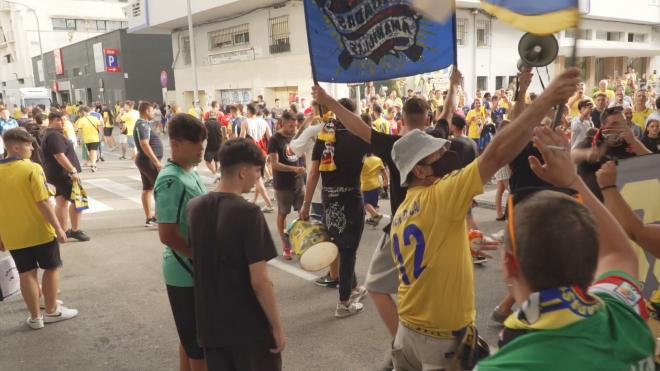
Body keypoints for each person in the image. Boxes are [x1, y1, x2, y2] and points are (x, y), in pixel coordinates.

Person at [385, 68, 580, 371]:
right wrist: (546, 100)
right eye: (436, 155)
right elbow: (495, 154)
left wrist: (460, 242)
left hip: (407, 334)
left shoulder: (404, 209)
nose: (446, 154)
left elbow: (422, 253)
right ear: (420, 171)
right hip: (440, 345)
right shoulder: (440, 195)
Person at [477, 127, 655, 370]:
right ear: (592, 259)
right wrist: (572, 179)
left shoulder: (502, 366)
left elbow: (617, 253)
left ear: (508, 264)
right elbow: (620, 253)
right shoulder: (621, 312)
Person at [188, 138, 286, 371]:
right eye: (256, 171)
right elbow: (260, 281)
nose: (258, 177)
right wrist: (277, 326)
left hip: (210, 327)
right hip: (248, 329)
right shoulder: (249, 213)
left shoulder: (195, 207)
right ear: (243, 172)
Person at [0, 128, 78, 330]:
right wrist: (60, 228)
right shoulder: (32, 168)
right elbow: (44, 203)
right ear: (16, 147)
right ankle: (52, 310)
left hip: (13, 234)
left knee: (26, 273)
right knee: (51, 268)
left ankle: (35, 317)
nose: (32, 148)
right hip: (40, 231)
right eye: (28, 145)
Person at [299, 97, 370, 318]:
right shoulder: (360, 137)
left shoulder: (325, 137)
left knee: (341, 246)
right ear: (353, 114)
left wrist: (306, 205)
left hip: (328, 201)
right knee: (348, 251)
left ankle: (354, 287)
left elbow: (313, 175)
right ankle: (344, 303)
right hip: (351, 200)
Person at [154, 114, 208, 371]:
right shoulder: (171, 180)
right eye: (195, 143)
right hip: (185, 271)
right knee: (198, 345)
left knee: (191, 340)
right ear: (175, 143)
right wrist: (201, 256)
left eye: (203, 142)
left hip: (192, 268)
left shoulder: (190, 172)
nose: (201, 149)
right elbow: (167, 233)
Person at [572, 106, 652, 201]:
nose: (620, 127)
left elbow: (653, 163)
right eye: (614, 124)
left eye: (623, 123)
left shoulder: (631, 142)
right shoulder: (592, 141)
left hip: (626, 202)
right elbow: (572, 156)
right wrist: (586, 154)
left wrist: (633, 140)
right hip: (597, 203)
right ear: (603, 126)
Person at [41, 112, 89, 242]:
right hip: (63, 173)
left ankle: (63, 230)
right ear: (51, 121)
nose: (62, 122)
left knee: (61, 202)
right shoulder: (54, 135)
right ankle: (75, 230)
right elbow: (59, 155)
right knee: (78, 200)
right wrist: (72, 171)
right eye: (59, 120)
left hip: (54, 173)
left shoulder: (49, 134)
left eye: (64, 120)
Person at [267, 111, 306, 260]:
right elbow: (274, 164)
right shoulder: (275, 139)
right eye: (290, 126)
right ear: (283, 123)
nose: (293, 128)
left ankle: (300, 241)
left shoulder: (295, 136)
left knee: (303, 214)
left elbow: (301, 153)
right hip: (282, 185)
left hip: (298, 182)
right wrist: (295, 168)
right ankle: (286, 246)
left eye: (295, 125)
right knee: (283, 214)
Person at [134, 101, 164, 227]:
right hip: (148, 161)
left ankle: (150, 218)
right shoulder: (143, 125)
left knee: (147, 188)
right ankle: (156, 218)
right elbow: (144, 144)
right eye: (152, 111)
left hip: (144, 160)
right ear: (147, 111)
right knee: (159, 189)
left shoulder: (143, 124)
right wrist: (156, 162)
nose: (153, 113)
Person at [241, 103, 274, 212]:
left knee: (258, 179)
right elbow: (270, 137)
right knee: (258, 177)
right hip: (263, 153)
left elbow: (241, 138)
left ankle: (269, 204)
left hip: (251, 153)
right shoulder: (263, 121)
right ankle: (254, 201)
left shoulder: (246, 122)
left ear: (249, 111)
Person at [361, 153, 388, 226]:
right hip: (376, 184)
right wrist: (386, 180)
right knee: (374, 204)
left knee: (364, 203)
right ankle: (374, 220)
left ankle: (376, 215)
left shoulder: (363, 161)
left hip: (366, 185)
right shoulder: (378, 159)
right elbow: (383, 171)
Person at [76, 106, 102, 172]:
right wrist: (101, 137)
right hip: (95, 138)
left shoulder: (81, 120)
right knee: (93, 151)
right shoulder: (95, 119)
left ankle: (93, 164)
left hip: (87, 139)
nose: (81, 113)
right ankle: (93, 164)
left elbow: (80, 131)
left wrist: (78, 139)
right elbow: (100, 129)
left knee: (92, 151)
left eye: (82, 112)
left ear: (84, 112)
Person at [203, 107, 225, 178]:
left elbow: (203, 135)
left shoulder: (205, 124)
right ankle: (218, 173)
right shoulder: (221, 124)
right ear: (216, 116)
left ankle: (214, 172)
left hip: (211, 145)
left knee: (207, 160)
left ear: (209, 116)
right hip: (220, 145)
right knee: (217, 160)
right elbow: (225, 135)